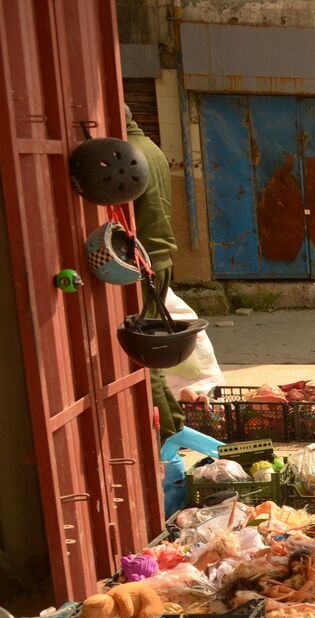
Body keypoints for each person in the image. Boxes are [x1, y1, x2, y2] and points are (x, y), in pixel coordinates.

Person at [125, 105, 184, 442]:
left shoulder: (125, 155)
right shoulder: (153, 150)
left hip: (141, 264)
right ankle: (174, 424)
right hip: (159, 259)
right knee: (151, 349)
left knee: (142, 354)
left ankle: (167, 432)